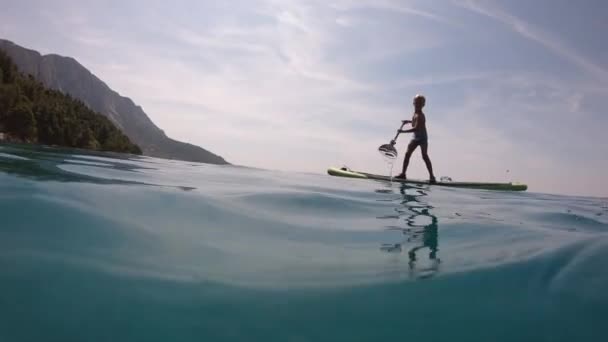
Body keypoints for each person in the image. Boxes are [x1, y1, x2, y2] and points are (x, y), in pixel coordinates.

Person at [392, 94, 436, 183]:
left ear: (423, 105)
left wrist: (402, 132)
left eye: (420, 103)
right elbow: (414, 121)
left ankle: (432, 177)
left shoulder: (420, 115)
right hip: (415, 137)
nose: (417, 104)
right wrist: (408, 121)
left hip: (422, 138)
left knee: (424, 155)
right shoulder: (415, 113)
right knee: (407, 154)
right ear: (413, 103)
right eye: (416, 102)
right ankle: (403, 174)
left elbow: (416, 128)